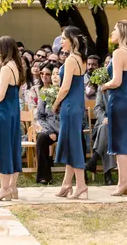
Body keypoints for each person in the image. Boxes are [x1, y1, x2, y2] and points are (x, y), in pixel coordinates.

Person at [100, 20, 127, 197]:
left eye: (115, 30)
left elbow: (116, 81)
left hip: (120, 100)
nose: (112, 32)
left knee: (121, 142)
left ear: (122, 33)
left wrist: (104, 86)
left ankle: (122, 181)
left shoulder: (119, 53)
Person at [0, 35, 24, 202]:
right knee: (12, 146)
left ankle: (4, 188)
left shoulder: (7, 68)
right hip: (13, 110)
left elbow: (0, 95)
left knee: (3, 149)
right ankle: (13, 187)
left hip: (3, 112)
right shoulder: (17, 65)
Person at [52, 27, 89, 199]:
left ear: (72, 39)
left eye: (63, 39)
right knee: (70, 143)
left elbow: (65, 87)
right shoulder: (81, 58)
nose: (61, 42)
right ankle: (67, 184)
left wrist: (55, 102)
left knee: (73, 145)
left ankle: (81, 185)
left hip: (69, 106)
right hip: (77, 105)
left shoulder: (71, 60)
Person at [33, 86, 59, 185]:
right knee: (41, 138)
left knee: (79, 136)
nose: (55, 76)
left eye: (57, 73)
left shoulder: (67, 89)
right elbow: (40, 116)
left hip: (66, 127)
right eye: (53, 74)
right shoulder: (43, 93)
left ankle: (81, 175)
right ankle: (44, 176)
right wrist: (49, 131)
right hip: (50, 129)